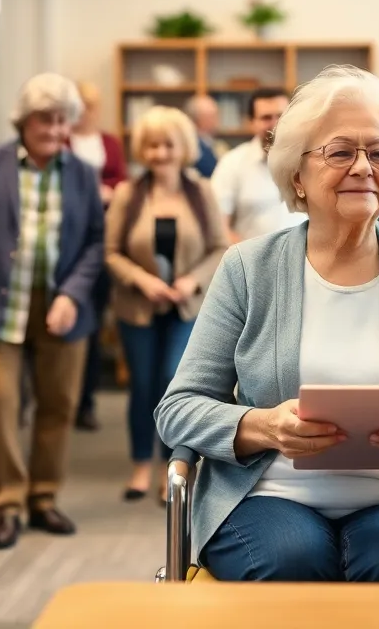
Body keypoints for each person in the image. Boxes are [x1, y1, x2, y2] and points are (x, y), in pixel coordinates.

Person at [155, 66, 379, 582]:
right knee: (293, 559)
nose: (363, 167)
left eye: (378, 152)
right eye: (341, 151)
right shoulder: (246, 269)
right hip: (268, 494)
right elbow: (178, 410)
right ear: (296, 176)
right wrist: (263, 427)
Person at [0, 73, 106, 550]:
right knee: (1, 403)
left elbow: (94, 242)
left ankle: (43, 498)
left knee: (58, 405)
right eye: (44, 118)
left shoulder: (83, 173)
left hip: (60, 306)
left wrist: (72, 294)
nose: (53, 127)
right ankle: (6, 503)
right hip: (0, 303)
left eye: (62, 118)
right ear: (24, 120)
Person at [107, 106, 226, 502]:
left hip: (186, 308)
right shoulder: (128, 193)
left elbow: (218, 247)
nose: (159, 154)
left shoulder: (202, 191)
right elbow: (110, 251)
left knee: (173, 382)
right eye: (152, 146)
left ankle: (173, 467)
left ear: (183, 148)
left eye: (168, 145)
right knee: (142, 386)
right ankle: (142, 463)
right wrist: (142, 280)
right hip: (138, 307)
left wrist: (192, 280)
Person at [67, 80, 128, 431]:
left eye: (92, 106)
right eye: (82, 106)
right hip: (73, 241)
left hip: (106, 237)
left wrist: (108, 190)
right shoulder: (63, 140)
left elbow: (121, 180)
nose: (87, 113)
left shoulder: (109, 143)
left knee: (95, 321)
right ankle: (69, 398)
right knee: (73, 321)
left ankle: (86, 401)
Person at [210, 87, 307, 242]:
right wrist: (246, 259)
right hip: (251, 262)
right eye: (266, 117)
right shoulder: (232, 163)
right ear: (251, 123)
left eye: (281, 116)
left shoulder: (309, 159)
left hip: (305, 260)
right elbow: (218, 225)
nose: (275, 124)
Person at [185, 93, 225, 177]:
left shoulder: (212, 143)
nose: (218, 120)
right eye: (213, 116)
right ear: (198, 119)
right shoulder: (193, 146)